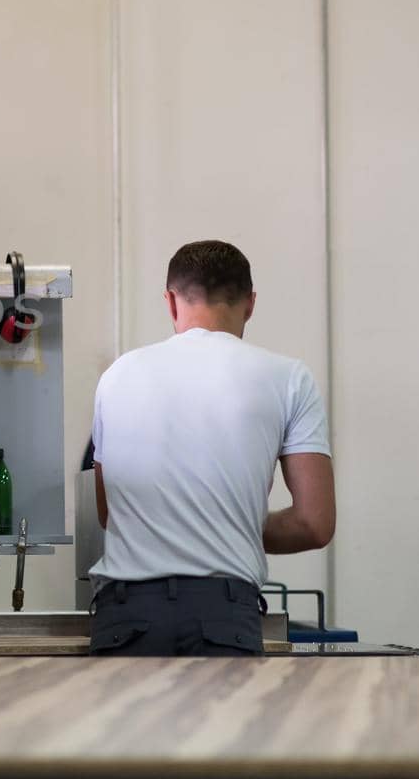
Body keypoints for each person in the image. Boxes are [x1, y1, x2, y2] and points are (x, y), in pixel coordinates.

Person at [88, 240, 334, 656]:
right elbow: (314, 522)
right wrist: (222, 521)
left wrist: (186, 519)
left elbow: (109, 511)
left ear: (170, 301)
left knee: (129, 725)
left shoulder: (117, 376)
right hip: (222, 615)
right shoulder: (289, 378)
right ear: (251, 304)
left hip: (126, 617)